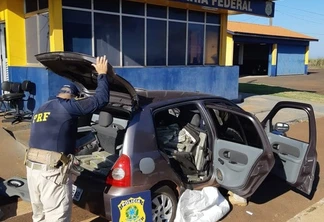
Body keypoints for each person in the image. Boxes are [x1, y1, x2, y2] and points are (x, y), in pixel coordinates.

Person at [25, 55, 110, 222]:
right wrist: (102, 74)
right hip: (51, 173)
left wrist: (70, 148)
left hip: (32, 170)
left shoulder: (43, 108)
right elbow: (101, 100)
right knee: (57, 217)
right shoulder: (67, 107)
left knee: (40, 217)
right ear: (74, 97)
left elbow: (53, 134)